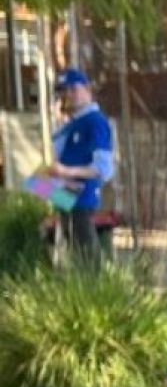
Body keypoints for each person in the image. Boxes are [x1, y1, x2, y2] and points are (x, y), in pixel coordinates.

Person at [47, 67, 115, 264]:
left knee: (85, 255)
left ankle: (94, 291)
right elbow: (56, 159)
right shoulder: (71, 123)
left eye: (73, 89)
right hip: (65, 193)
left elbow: (103, 169)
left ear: (87, 89)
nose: (69, 95)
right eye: (64, 91)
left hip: (82, 196)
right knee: (65, 252)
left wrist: (67, 172)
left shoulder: (95, 122)